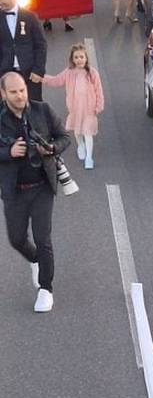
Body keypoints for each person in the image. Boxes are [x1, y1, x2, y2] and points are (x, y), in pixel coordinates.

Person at [0, 70, 69, 313]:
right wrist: (8, 153)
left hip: (42, 187)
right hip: (14, 191)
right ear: (3, 93)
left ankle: (45, 289)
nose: (20, 96)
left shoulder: (42, 110)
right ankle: (35, 261)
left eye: (22, 90)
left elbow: (64, 137)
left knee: (43, 239)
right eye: (13, 92)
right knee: (16, 239)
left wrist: (51, 148)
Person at [40, 43, 104, 170]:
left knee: (88, 132)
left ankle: (89, 158)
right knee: (77, 130)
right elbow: (56, 80)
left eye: (81, 57)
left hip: (89, 109)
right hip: (75, 108)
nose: (79, 60)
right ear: (72, 59)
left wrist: (98, 106)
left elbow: (99, 91)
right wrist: (42, 78)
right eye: (76, 57)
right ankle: (80, 145)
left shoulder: (92, 73)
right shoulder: (69, 72)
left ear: (86, 58)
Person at [0, 0, 47, 102]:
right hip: (6, 74)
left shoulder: (29, 17)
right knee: (8, 111)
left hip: (30, 74)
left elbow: (40, 45)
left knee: (33, 108)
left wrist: (38, 70)